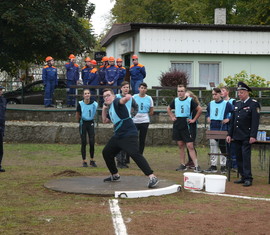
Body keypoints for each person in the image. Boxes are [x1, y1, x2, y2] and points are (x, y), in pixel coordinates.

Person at [102, 88, 159, 188]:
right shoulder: (111, 108)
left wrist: (127, 97)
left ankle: (152, 176)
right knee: (106, 152)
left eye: (108, 95)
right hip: (118, 135)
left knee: (135, 154)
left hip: (128, 134)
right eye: (104, 97)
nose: (106, 98)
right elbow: (104, 120)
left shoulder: (116, 102)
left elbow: (122, 101)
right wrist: (104, 108)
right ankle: (115, 175)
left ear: (114, 96)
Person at [226, 82, 260, 187]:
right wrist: (229, 134)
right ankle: (243, 176)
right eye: (238, 93)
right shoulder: (237, 103)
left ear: (246, 92)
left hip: (246, 135)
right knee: (238, 156)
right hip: (237, 135)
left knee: (245, 157)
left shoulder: (253, 104)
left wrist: (253, 135)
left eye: (241, 92)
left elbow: (255, 122)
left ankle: (248, 178)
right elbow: (233, 121)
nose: (239, 94)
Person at [167, 85, 203, 173]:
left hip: (186, 123)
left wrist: (194, 119)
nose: (180, 93)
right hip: (177, 123)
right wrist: (172, 116)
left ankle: (196, 165)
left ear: (185, 91)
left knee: (190, 145)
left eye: (182, 91)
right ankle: (182, 164)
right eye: (178, 91)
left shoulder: (190, 100)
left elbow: (199, 109)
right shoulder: (175, 100)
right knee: (180, 145)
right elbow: (168, 108)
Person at [205, 87, 233, 174]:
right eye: (213, 94)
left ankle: (223, 165)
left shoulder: (226, 104)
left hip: (222, 127)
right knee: (213, 146)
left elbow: (234, 112)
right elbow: (208, 113)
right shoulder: (210, 103)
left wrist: (228, 119)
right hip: (213, 126)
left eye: (215, 94)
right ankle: (213, 165)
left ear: (220, 94)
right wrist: (208, 117)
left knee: (222, 146)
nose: (214, 96)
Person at [115, 81, 138, 168]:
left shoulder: (131, 98)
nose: (126, 89)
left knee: (125, 142)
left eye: (127, 87)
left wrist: (132, 115)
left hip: (127, 123)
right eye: (124, 87)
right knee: (118, 141)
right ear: (121, 88)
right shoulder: (116, 97)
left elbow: (136, 107)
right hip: (118, 122)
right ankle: (119, 161)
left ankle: (123, 161)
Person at [76, 89, 98, 167]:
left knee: (92, 142)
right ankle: (84, 160)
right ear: (83, 95)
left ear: (90, 94)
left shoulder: (94, 104)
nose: (87, 95)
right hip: (83, 123)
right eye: (85, 93)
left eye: (88, 93)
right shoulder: (80, 104)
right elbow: (77, 114)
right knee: (84, 142)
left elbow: (95, 112)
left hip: (90, 122)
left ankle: (92, 160)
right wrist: (79, 122)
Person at [132, 82, 153, 154]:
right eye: (141, 88)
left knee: (142, 139)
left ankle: (140, 155)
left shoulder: (149, 98)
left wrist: (145, 115)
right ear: (138, 88)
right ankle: (129, 155)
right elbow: (130, 107)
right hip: (135, 120)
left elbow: (151, 110)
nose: (143, 90)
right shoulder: (134, 97)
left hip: (144, 120)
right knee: (133, 138)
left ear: (146, 89)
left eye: (144, 88)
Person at [221, 86, 237, 171]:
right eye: (220, 91)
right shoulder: (221, 102)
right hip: (223, 126)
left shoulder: (232, 101)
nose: (221, 92)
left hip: (231, 126)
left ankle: (234, 165)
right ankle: (227, 164)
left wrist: (229, 119)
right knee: (225, 146)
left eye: (223, 91)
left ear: (227, 92)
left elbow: (236, 113)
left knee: (232, 145)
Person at [184, 90, 201, 169]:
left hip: (192, 126)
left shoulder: (194, 106)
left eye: (188, 96)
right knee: (187, 144)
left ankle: (193, 161)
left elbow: (198, 112)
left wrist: (193, 120)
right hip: (185, 126)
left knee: (191, 144)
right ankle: (190, 160)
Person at [0, 85, 6, 172]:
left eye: (1, 90)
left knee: (0, 149)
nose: (1, 92)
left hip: (1, 125)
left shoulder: (3, 100)